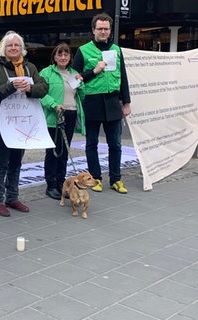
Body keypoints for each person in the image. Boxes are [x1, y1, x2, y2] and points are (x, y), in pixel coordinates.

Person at [72, 13, 131, 194]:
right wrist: (94, 71)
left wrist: (126, 102)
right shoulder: (83, 51)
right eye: (100, 28)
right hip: (92, 102)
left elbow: (123, 77)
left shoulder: (117, 50)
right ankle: (95, 178)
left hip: (112, 102)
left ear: (110, 30)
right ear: (93, 30)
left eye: (106, 29)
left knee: (115, 144)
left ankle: (116, 179)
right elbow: (74, 80)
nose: (103, 31)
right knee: (91, 144)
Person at [0, 31, 48, 217]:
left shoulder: (30, 67)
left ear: (22, 48)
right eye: (10, 46)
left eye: (16, 45)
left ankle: (12, 197)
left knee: (16, 162)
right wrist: (10, 86)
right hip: (4, 123)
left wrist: (30, 88)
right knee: (1, 163)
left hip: (24, 123)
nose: (13, 48)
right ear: (3, 49)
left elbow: (44, 87)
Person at [39, 43, 86, 200]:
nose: (63, 57)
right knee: (53, 152)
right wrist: (53, 105)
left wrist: (82, 83)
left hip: (70, 114)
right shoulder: (47, 73)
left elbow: (81, 95)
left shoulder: (74, 74)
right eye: (60, 54)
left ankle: (61, 183)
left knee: (64, 151)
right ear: (54, 57)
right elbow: (40, 94)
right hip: (55, 116)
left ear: (70, 58)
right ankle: (51, 185)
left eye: (66, 54)